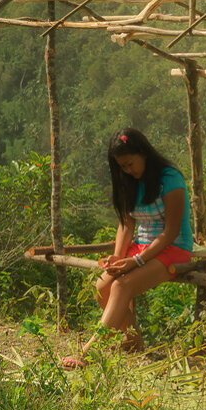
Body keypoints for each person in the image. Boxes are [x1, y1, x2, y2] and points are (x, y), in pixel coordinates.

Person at [63, 128, 195, 369]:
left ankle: (90, 352)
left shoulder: (170, 178)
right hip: (141, 248)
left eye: (130, 164)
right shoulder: (128, 182)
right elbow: (126, 224)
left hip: (173, 247)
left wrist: (137, 261)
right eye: (122, 166)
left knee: (122, 285)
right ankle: (133, 341)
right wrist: (118, 257)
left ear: (144, 154)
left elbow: (171, 231)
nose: (127, 171)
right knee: (102, 286)